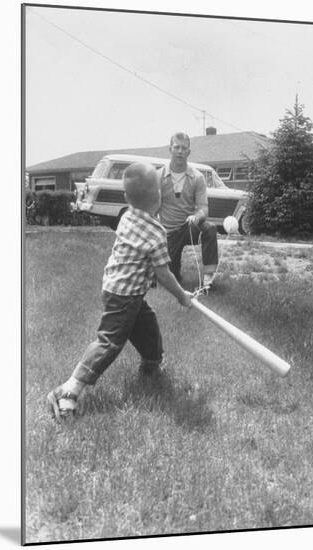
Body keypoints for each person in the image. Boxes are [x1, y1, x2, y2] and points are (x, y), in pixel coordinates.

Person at [48, 162, 193, 421]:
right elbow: (164, 274)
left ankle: (151, 364)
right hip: (125, 296)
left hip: (118, 288)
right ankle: (68, 390)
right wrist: (182, 295)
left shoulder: (127, 215)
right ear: (160, 196)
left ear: (127, 198)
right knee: (110, 342)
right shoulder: (157, 233)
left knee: (147, 323)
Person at [157, 132, 219, 289]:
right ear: (170, 149)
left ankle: (208, 280)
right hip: (168, 232)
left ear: (189, 152)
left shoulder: (197, 177)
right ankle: (172, 272)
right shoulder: (158, 176)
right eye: (176, 147)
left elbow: (204, 208)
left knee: (210, 228)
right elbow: (153, 208)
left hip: (188, 228)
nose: (180, 151)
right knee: (172, 279)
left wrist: (197, 216)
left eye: (184, 148)